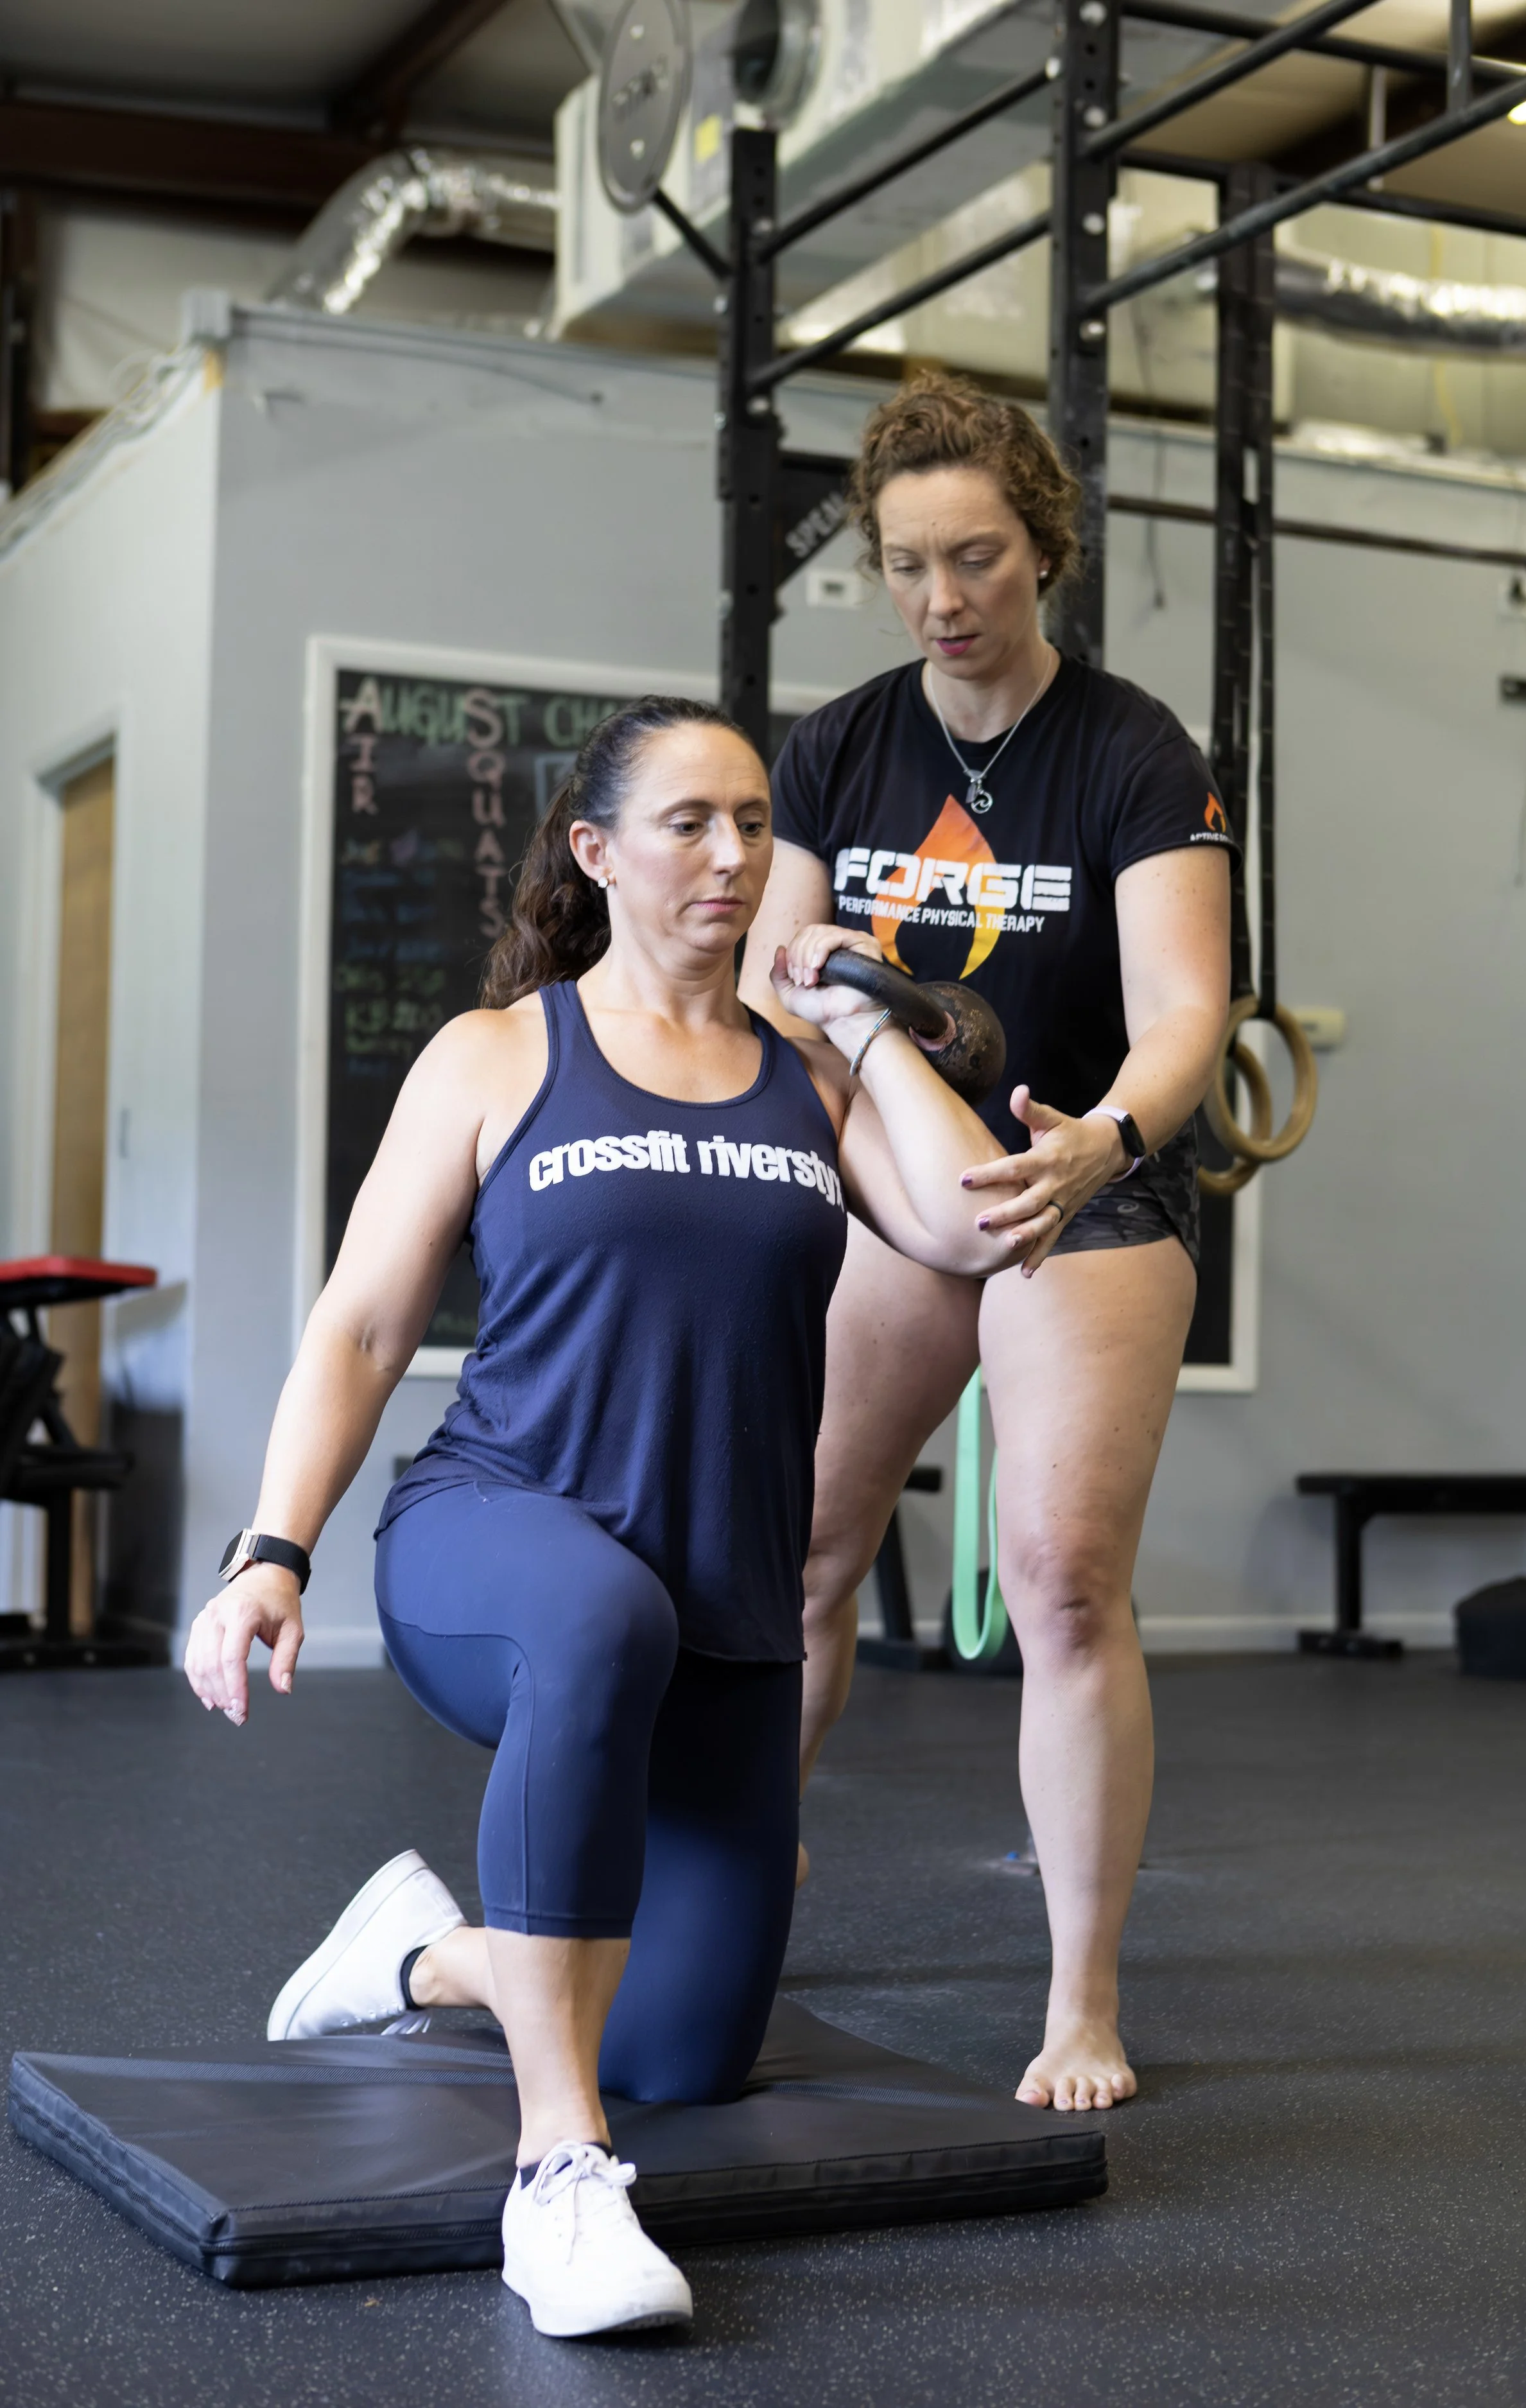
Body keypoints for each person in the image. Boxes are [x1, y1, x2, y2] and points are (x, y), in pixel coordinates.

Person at [184, 695, 1027, 2343]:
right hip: (491, 1537)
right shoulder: (502, 1053)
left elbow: (967, 1227)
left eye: (754, 825)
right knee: (591, 1619)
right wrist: (270, 1548)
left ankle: (425, 1951)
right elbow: (360, 1326)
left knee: (682, 2053)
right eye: (688, 823)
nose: (731, 855)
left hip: (722, 1616)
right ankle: (557, 2174)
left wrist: (858, 1016)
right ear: (596, 851)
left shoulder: (812, 1085)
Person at [740, 371, 1235, 2117]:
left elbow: (1187, 1009)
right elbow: (772, 973)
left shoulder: (1129, 749)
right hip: (898, 1173)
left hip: (1076, 1178)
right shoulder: (839, 743)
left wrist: (1101, 1130)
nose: (943, 597)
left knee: (1061, 1579)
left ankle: (1080, 1995)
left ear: (1046, 552)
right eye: (905, 563)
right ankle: (737, 1883)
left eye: (977, 557)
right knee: (799, 1543)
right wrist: (875, 1123)